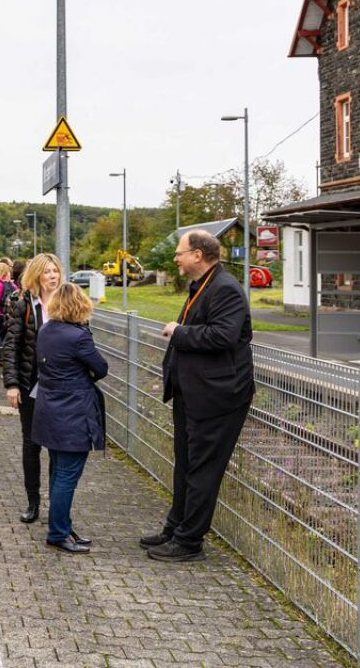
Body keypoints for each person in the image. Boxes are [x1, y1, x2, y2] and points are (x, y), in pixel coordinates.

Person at [139, 230, 255, 563]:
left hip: (217, 397)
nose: (176, 258)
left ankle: (190, 542)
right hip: (194, 393)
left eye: (180, 253)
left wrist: (179, 332)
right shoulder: (204, 285)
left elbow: (223, 336)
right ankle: (175, 528)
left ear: (198, 255)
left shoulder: (225, 289)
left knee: (203, 469)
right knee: (186, 464)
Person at [32, 281, 108, 554]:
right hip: (73, 414)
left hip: (50, 409)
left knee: (58, 472)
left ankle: (62, 526)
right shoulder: (78, 337)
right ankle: (58, 533)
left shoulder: (45, 330)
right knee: (67, 476)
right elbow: (101, 367)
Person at [0, 252, 63, 523]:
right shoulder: (24, 304)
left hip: (60, 387)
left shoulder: (67, 301)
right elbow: (12, 346)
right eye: (47, 271)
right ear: (37, 275)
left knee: (58, 447)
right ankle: (33, 502)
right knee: (31, 444)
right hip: (30, 383)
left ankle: (57, 506)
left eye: (55, 271)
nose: (52, 276)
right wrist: (12, 384)